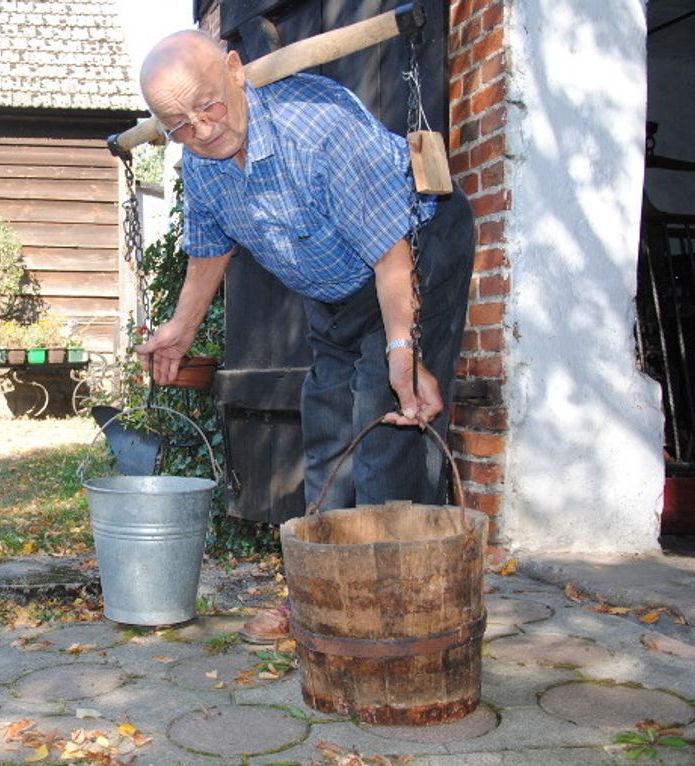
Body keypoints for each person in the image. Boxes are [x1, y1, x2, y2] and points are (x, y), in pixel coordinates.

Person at [135, 31, 475, 643]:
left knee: (382, 426)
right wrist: (181, 328)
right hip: (336, 285)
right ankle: (322, 597)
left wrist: (404, 351)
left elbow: (392, 257)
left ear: (236, 71)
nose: (202, 131)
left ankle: (384, 612)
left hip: (413, 252)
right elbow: (210, 247)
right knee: (324, 431)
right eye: (179, 126)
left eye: (208, 106)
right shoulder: (204, 164)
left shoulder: (318, 129)